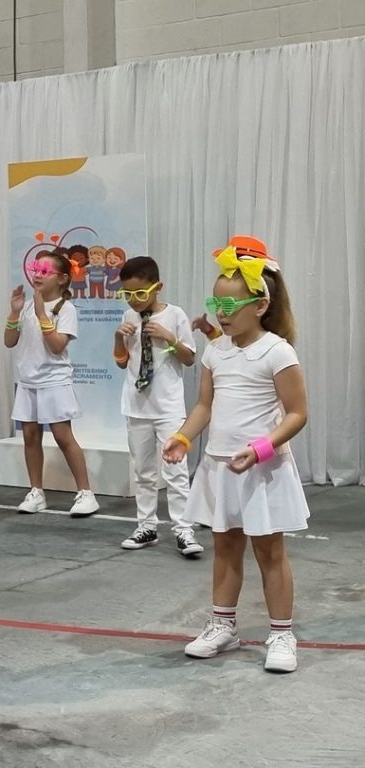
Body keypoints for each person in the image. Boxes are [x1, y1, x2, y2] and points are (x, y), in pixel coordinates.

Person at [162, 236, 308, 673]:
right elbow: (205, 406)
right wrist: (184, 437)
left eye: (229, 305)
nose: (220, 314)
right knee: (225, 548)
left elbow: (298, 413)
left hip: (263, 469)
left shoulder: (277, 351)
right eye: (216, 304)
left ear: (260, 305)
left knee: (270, 552)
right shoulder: (215, 351)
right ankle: (223, 625)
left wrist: (261, 448)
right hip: (220, 466)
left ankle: (281, 633)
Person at [111, 257, 203, 557]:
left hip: (167, 407)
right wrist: (118, 338)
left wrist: (169, 338)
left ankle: (183, 529)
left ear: (157, 287)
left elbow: (189, 358)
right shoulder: (129, 315)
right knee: (143, 471)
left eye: (140, 293)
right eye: (127, 294)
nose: (134, 300)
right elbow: (121, 361)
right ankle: (146, 526)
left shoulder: (175, 315)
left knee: (175, 471)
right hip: (136, 405)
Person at [4, 252, 100, 517]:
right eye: (36, 269)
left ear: (62, 279)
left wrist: (41, 314)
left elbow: (57, 347)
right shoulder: (26, 306)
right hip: (27, 380)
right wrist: (15, 312)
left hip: (54, 381)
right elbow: (9, 341)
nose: (37, 275)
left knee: (62, 436)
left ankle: (86, 493)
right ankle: (36, 491)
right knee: (30, 436)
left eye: (45, 271)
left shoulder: (66, 309)